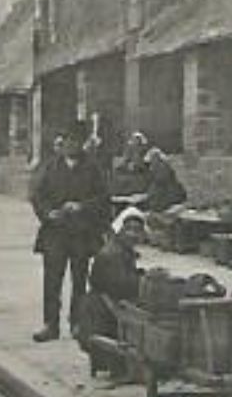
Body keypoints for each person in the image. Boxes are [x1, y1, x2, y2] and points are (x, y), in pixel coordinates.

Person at [29, 121, 111, 342]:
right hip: (55, 232)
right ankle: (50, 325)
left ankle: (76, 323)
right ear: (61, 143)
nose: (71, 145)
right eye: (66, 141)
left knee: (79, 280)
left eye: (75, 141)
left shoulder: (92, 168)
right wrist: (48, 214)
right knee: (52, 280)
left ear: (82, 144)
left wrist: (82, 206)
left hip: (82, 233)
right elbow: (37, 196)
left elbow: (103, 198)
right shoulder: (51, 167)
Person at [79, 208, 147, 378]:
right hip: (102, 311)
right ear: (120, 230)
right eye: (129, 229)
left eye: (137, 231)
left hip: (107, 303)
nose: (133, 235)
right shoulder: (112, 254)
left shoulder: (121, 250)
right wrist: (143, 282)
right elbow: (119, 287)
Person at [142, 147, 188, 213]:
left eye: (151, 161)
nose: (150, 166)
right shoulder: (157, 168)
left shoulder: (163, 167)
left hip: (168, 197)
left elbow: (161, 181)